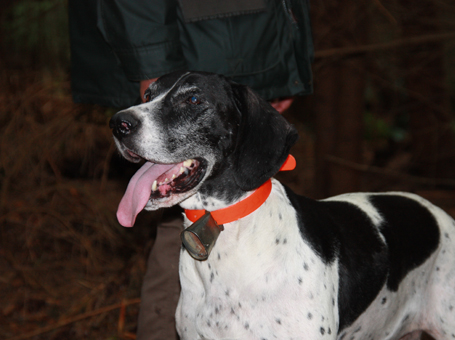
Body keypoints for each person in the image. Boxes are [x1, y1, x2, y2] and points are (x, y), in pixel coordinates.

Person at [68, 1, 314, 338]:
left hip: (251, 65)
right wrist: (151, 68)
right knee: (179, 239)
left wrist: (278, 75)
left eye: (191, 102)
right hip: (189, 47)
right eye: (151, 100)